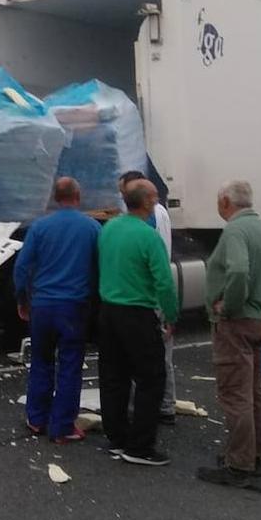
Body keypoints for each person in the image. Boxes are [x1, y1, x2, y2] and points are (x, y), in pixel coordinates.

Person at [196, 180, 261, 487]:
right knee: (254, 390)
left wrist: (228, 307)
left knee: (234, 392)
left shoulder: (234, 231)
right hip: (260, 317)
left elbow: (239, 269)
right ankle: (255, 453)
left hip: (238, 320)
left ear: (226, 203)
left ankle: (239, 463)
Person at [97, 178, 180, 466]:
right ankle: (140, 446)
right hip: (137, 312)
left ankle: (117, 437)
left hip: (108, 311)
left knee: (113, 377)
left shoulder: (109, 229)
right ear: (145, 202)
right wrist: (171, 315)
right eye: (155, 196)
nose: (157, 200)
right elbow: (164, 282)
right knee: (150, 377)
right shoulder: (148, 236)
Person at [13, 177, 102, 443]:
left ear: (55, 197)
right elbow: (99, 266)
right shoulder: (92, 227)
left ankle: (37, 418)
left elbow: (21, 267)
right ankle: (63, 426)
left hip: (42, 305)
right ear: (78, 196)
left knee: (41, 361)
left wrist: (22, 299)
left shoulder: (39, 227)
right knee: (70, 364)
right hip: (74, 306)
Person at [118, 171, 177, 424]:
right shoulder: (154, 213)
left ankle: (162, 406)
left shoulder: (151, 216)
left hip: (150, 291)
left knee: (157, 354)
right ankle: (162, 404)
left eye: (126, 192)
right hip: (151, 287)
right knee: (156, 353)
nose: (123, 196)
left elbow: (151, 260)